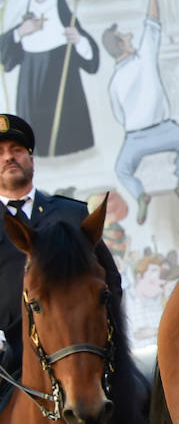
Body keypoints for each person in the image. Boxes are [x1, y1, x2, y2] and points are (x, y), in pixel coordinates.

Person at [0, 114, 124, 377]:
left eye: (17, 150)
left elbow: (110, 280)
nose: (9, 157)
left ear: (31, 160)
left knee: (142, 400)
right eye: (0, 152)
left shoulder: (73, 214)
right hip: (14, 362)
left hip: (84, 349)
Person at [103, 0, 179, 224]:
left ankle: (140, 195)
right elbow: (152, 22)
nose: (130, 37)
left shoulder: (115, 82)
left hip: (136, 137)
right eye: (125, 37)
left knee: (122, 169)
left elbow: (118, 113)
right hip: (163, 130)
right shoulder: (142, 57)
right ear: (121, 45)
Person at [0, 0, 100, 157]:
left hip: (63, 98)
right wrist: (19, 33)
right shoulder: (24, 20)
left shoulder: (66, 20)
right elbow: (5, 59)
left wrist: (79, 40)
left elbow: (91, 64)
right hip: (30, 95)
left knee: (66, 146)